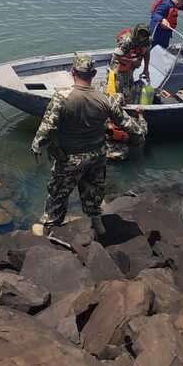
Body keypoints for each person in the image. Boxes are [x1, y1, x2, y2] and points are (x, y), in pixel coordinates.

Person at [30, 54, 147, 238]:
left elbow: (46, 129)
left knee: (58, 194)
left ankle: (50, 229)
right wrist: (141, 121)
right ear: (93, 74)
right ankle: (97, 224)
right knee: (93, 191)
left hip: (69, 158)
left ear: (73, 72)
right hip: (97, 156)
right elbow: (133, 129)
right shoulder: (106, 99)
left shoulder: (62, 98)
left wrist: (37, 147)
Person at [110, 23, 151, 103]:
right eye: (140, 33)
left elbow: (147, 52)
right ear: (136, 33)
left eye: (144, 34)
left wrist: (146, 69)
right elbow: (116, 56)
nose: (142, 37)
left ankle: (127, 97)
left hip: (130, 67)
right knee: (117, 90)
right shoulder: (127, 40)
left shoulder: (146, 40)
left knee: (129, 86)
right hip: (119, 66)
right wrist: (132, 61)